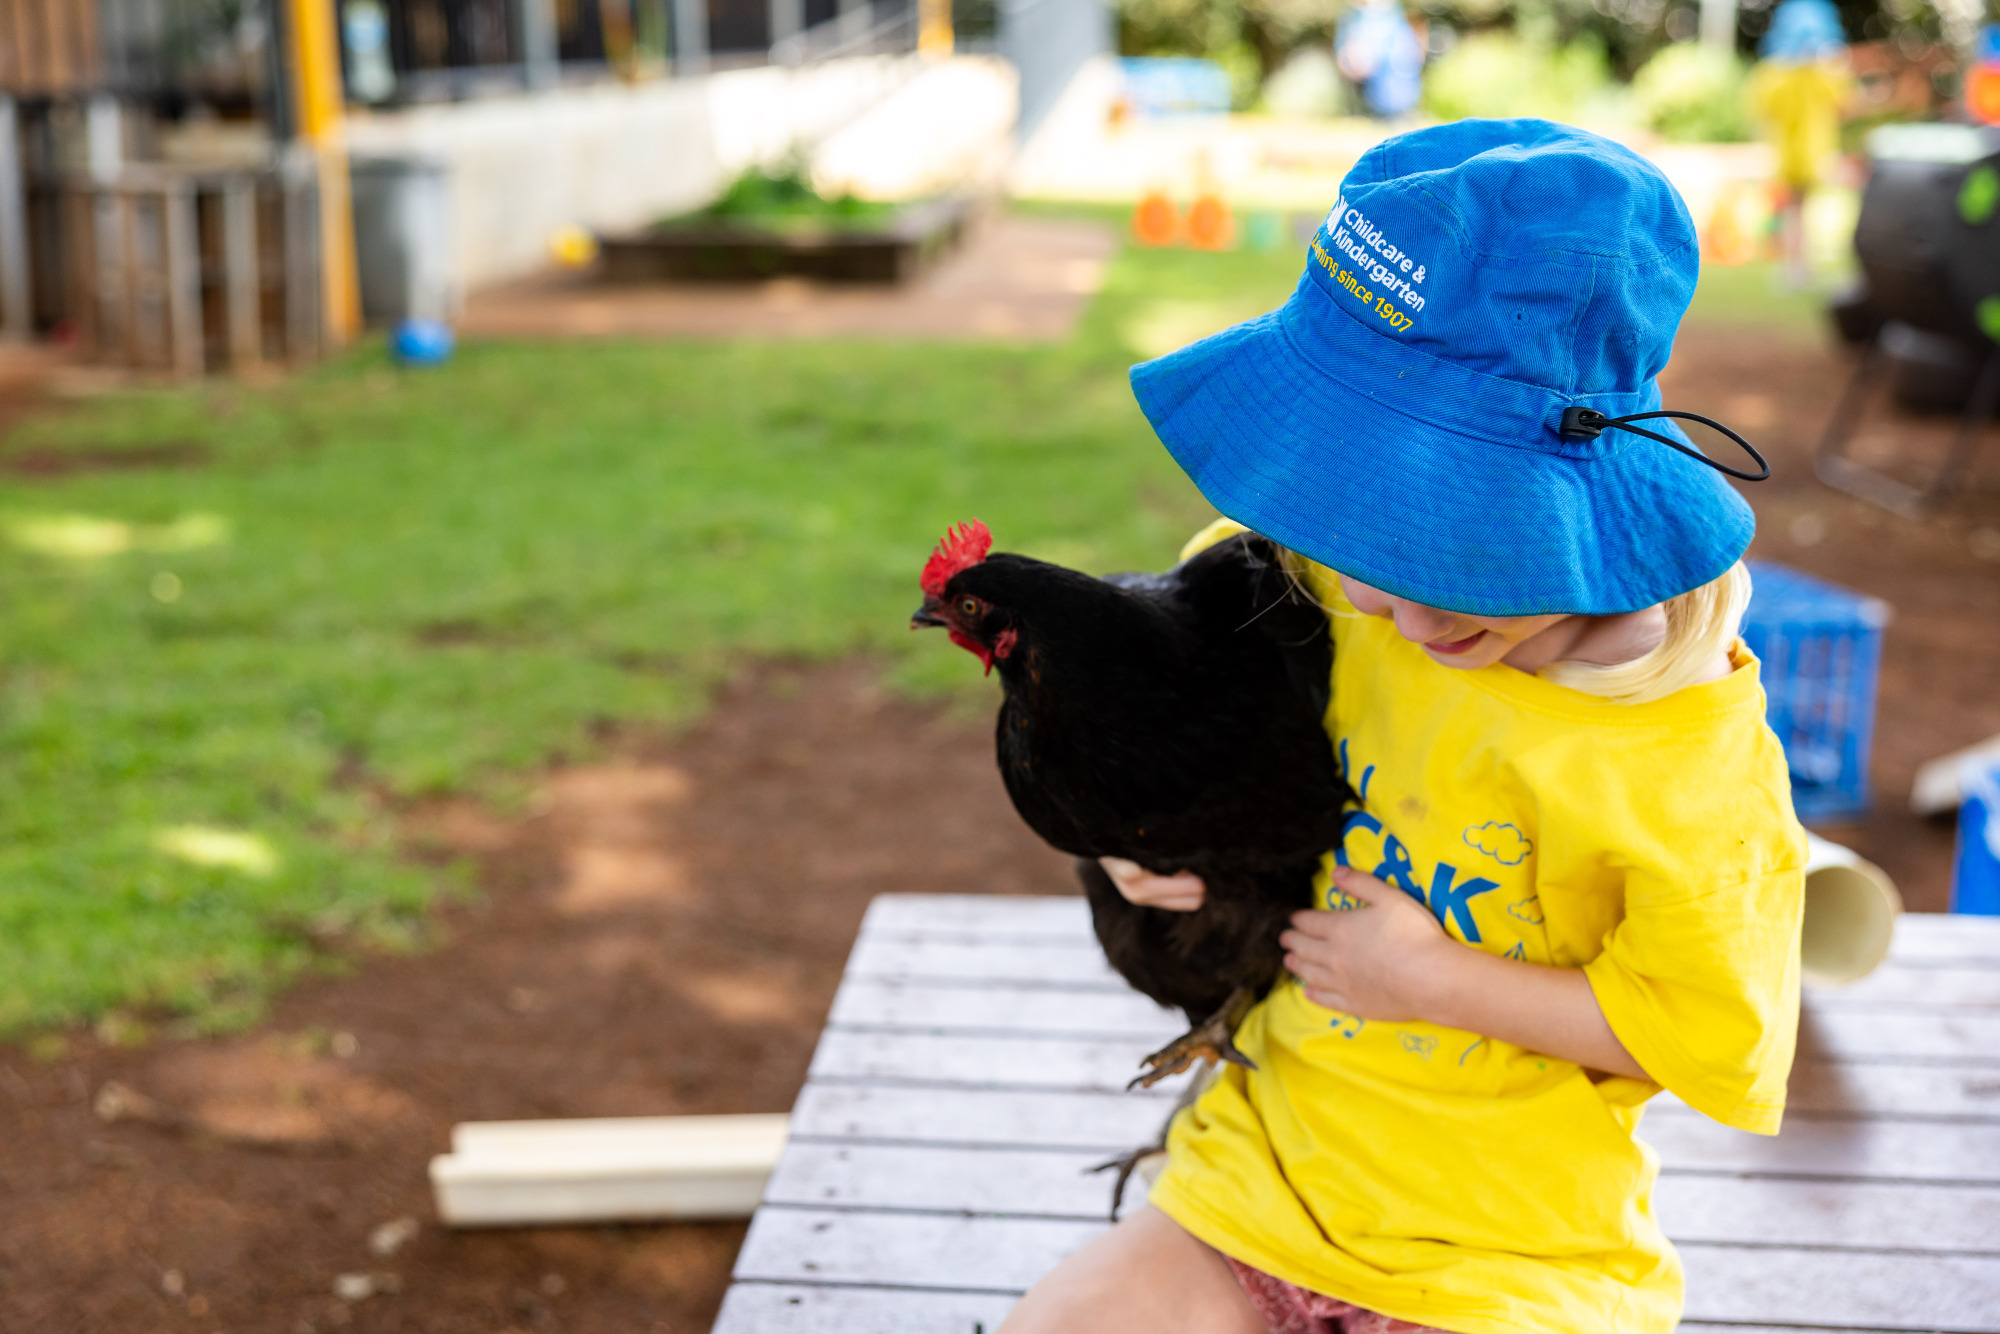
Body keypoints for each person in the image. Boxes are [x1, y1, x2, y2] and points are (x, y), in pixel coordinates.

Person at [999, 120, 1807, 1334]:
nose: (1377, 596)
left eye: (1440, 541)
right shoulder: (1316, 584)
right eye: (1356, 518)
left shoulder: (1681, 760)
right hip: (1253, 1190)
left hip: (1508, 1263)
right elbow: (1182, 686)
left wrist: (1431, 978)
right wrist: (1141, 837)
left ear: (1572, 501)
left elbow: (1697, 1035)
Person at [1748, 0, 1852, 286]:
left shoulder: (1782, 72)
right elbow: (1841, 103)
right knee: (1798, 210)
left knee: (1803, 211)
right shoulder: (1807, 73)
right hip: (1802, 154)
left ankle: (1801, 266)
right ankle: (1798, 266)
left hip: (1803, 154)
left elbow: (1762, 107)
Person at [1336, 0, 1426, 119]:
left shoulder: (1395, 22)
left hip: (1400, 89)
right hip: (1377, 95)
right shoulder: (1359, 20)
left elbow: (1411, 55)